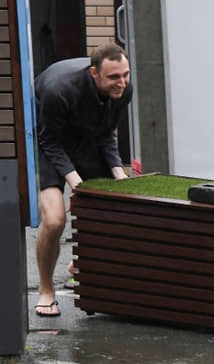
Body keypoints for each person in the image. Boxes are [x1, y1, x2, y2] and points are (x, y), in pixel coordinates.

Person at [33, 43, 133, 317]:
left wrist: (118, 172)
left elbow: (106, 133)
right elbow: (50, 142)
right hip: (45, 139)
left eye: (125, 74)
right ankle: (46, 291)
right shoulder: (59, 90)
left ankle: (76, 267)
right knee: (54, 220)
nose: (122, 82)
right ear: (94, 73)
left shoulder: (123, 90)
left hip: (84, 138)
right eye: (114, 77)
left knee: (111, 206)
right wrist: (77, 184)